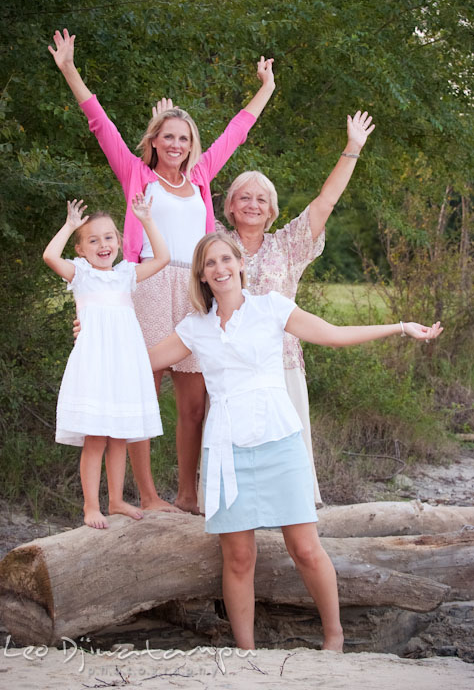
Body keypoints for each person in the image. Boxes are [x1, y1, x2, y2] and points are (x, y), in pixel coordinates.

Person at [147, 232, 443, 650]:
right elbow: (145, 360)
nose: (220, 268)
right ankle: (246, 652)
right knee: (238, 558)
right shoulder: (195, 328)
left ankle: (334, 638)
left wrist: (399, 327)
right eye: (210, 263)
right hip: (225, 450)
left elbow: (335, 334)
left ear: (241, 264)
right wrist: (97, 325)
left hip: (277, 441)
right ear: (201, 274)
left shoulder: (271, 308)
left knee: (304, 548)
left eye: (227, 259)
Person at [49, 29, 275, 514]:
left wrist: (266, 88)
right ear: (154, 141)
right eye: (168, 136)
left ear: (192, 145)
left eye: (184, 138)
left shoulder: (202, 176)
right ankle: (147, 496)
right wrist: (69, 68)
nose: (176, 144)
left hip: (195, 290)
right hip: (148, 285)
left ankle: (188, 494)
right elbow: (99, 123)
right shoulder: (136, 173)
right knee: (140, 394)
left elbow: (237, 130)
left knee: (193, 402)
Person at [214, 110, 375, 505]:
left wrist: (352, 148)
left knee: (287, 446)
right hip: (230, 364)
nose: (253, 204)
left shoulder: (288, 245)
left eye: (262, 199)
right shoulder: (214, 244)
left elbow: (326, 200)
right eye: (244, 197)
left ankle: (296, 509)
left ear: (272, 211)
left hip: (280, 360)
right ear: (230, 206)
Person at [43, 194, 170, 529]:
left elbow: (163, 258)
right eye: (93, 240)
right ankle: (90, 506)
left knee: (121, 435)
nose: (103, 244)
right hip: (96, 366)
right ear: (81, 249)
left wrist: (146, 219)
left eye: (109, 237)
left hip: (125, 365)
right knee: (96, 437)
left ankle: (115, 500)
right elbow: (49, 255)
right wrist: (70, 225)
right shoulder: (81, 274)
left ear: (119, 241)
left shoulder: (126, 274)